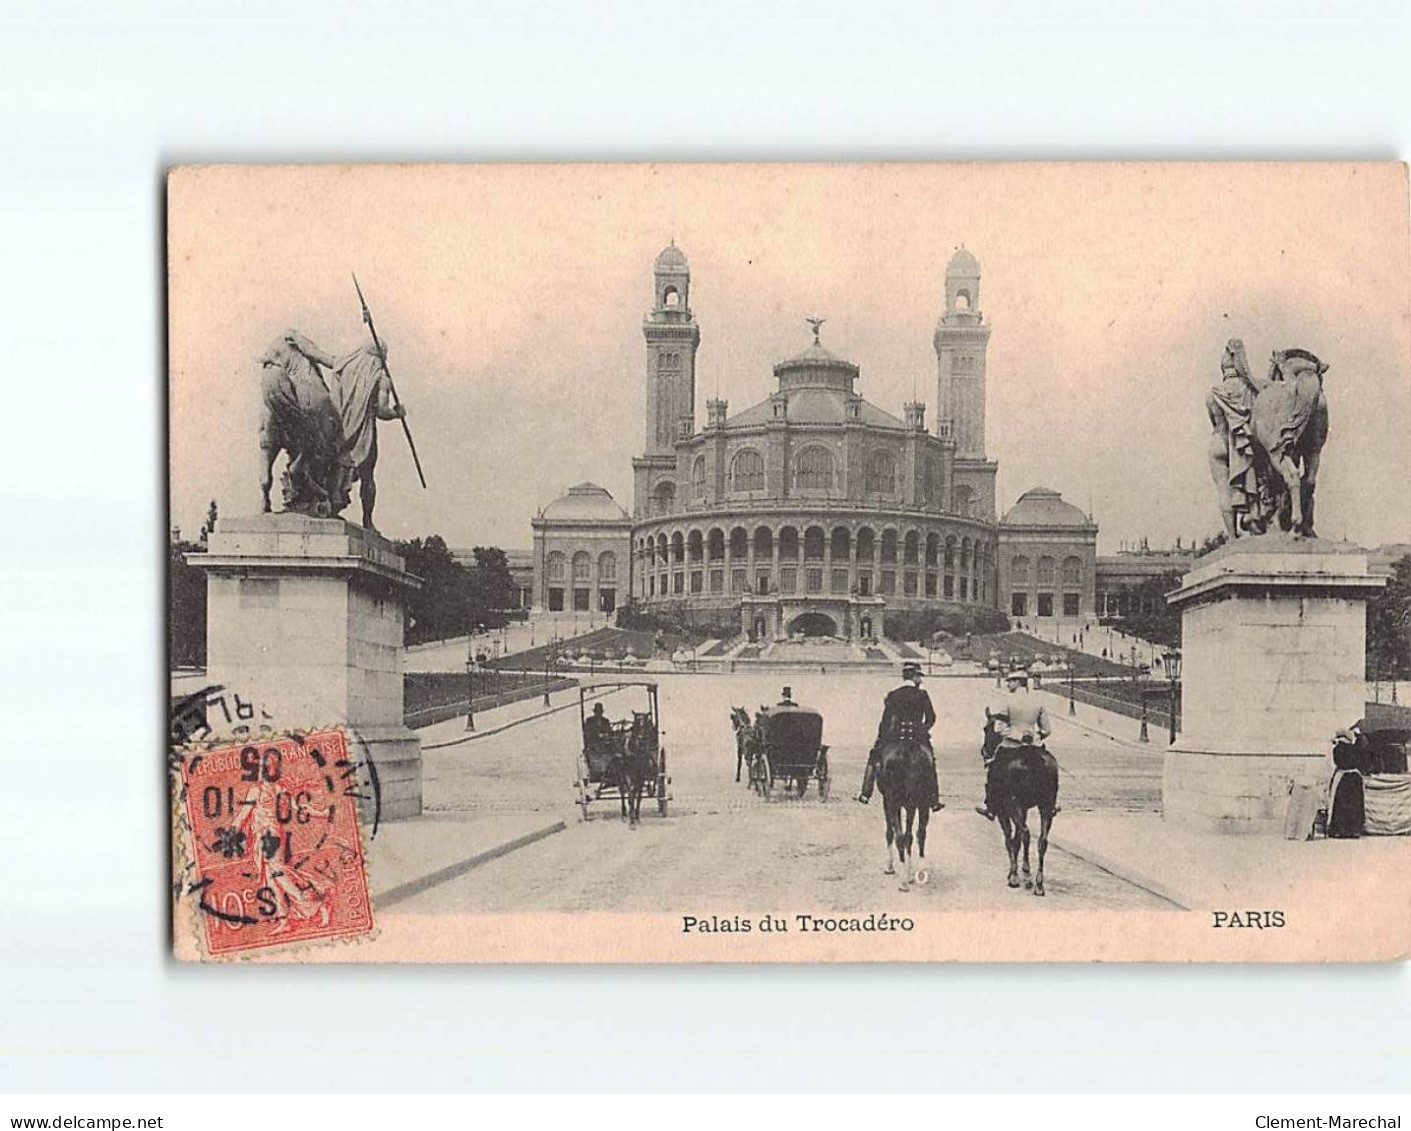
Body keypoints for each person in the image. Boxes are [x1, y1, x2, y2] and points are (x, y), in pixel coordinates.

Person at [856, 662, 942, 811]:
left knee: (874, 758)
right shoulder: (922, 694)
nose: (920, 680)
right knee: (930, 763)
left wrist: (881, 739)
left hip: (895, 737)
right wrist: (922, 730)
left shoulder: (893, 695)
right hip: (917, 738)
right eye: (918, 677)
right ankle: (934, 800)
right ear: (913, 677)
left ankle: (865, 793)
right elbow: (931, 718)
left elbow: (885, 721)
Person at [976, 669, 1057, 820]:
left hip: (1012, 745)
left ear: (1019, 682)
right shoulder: (1038, 702)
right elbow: (1047, 729)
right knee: (1049, 769)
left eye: (1011, 681)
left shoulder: (1007, 701)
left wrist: (1018, 736)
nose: (1008, 684)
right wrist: (1034, 737)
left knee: (993, 771)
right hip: (1034, 745)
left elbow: (999, 728)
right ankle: (1051, 804)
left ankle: (990, 806)